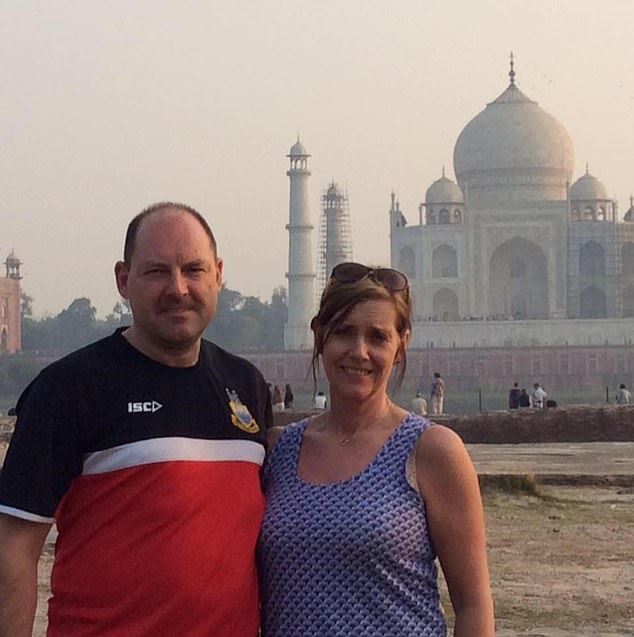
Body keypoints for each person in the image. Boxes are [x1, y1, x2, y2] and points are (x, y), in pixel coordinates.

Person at [0, 203, 272, 637]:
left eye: (194, 270)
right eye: (157, 272)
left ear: (218, 274)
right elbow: (14, 546)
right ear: (123, 280)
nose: (178, 289)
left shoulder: (246, 387)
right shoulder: (71, 389)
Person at [258, 262, 494, 636]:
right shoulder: (280, 451)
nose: (359, 351)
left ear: (402, 345)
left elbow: (473, 605)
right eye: (344, 333)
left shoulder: (429, 451)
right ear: (319, 336)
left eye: (378, 337)